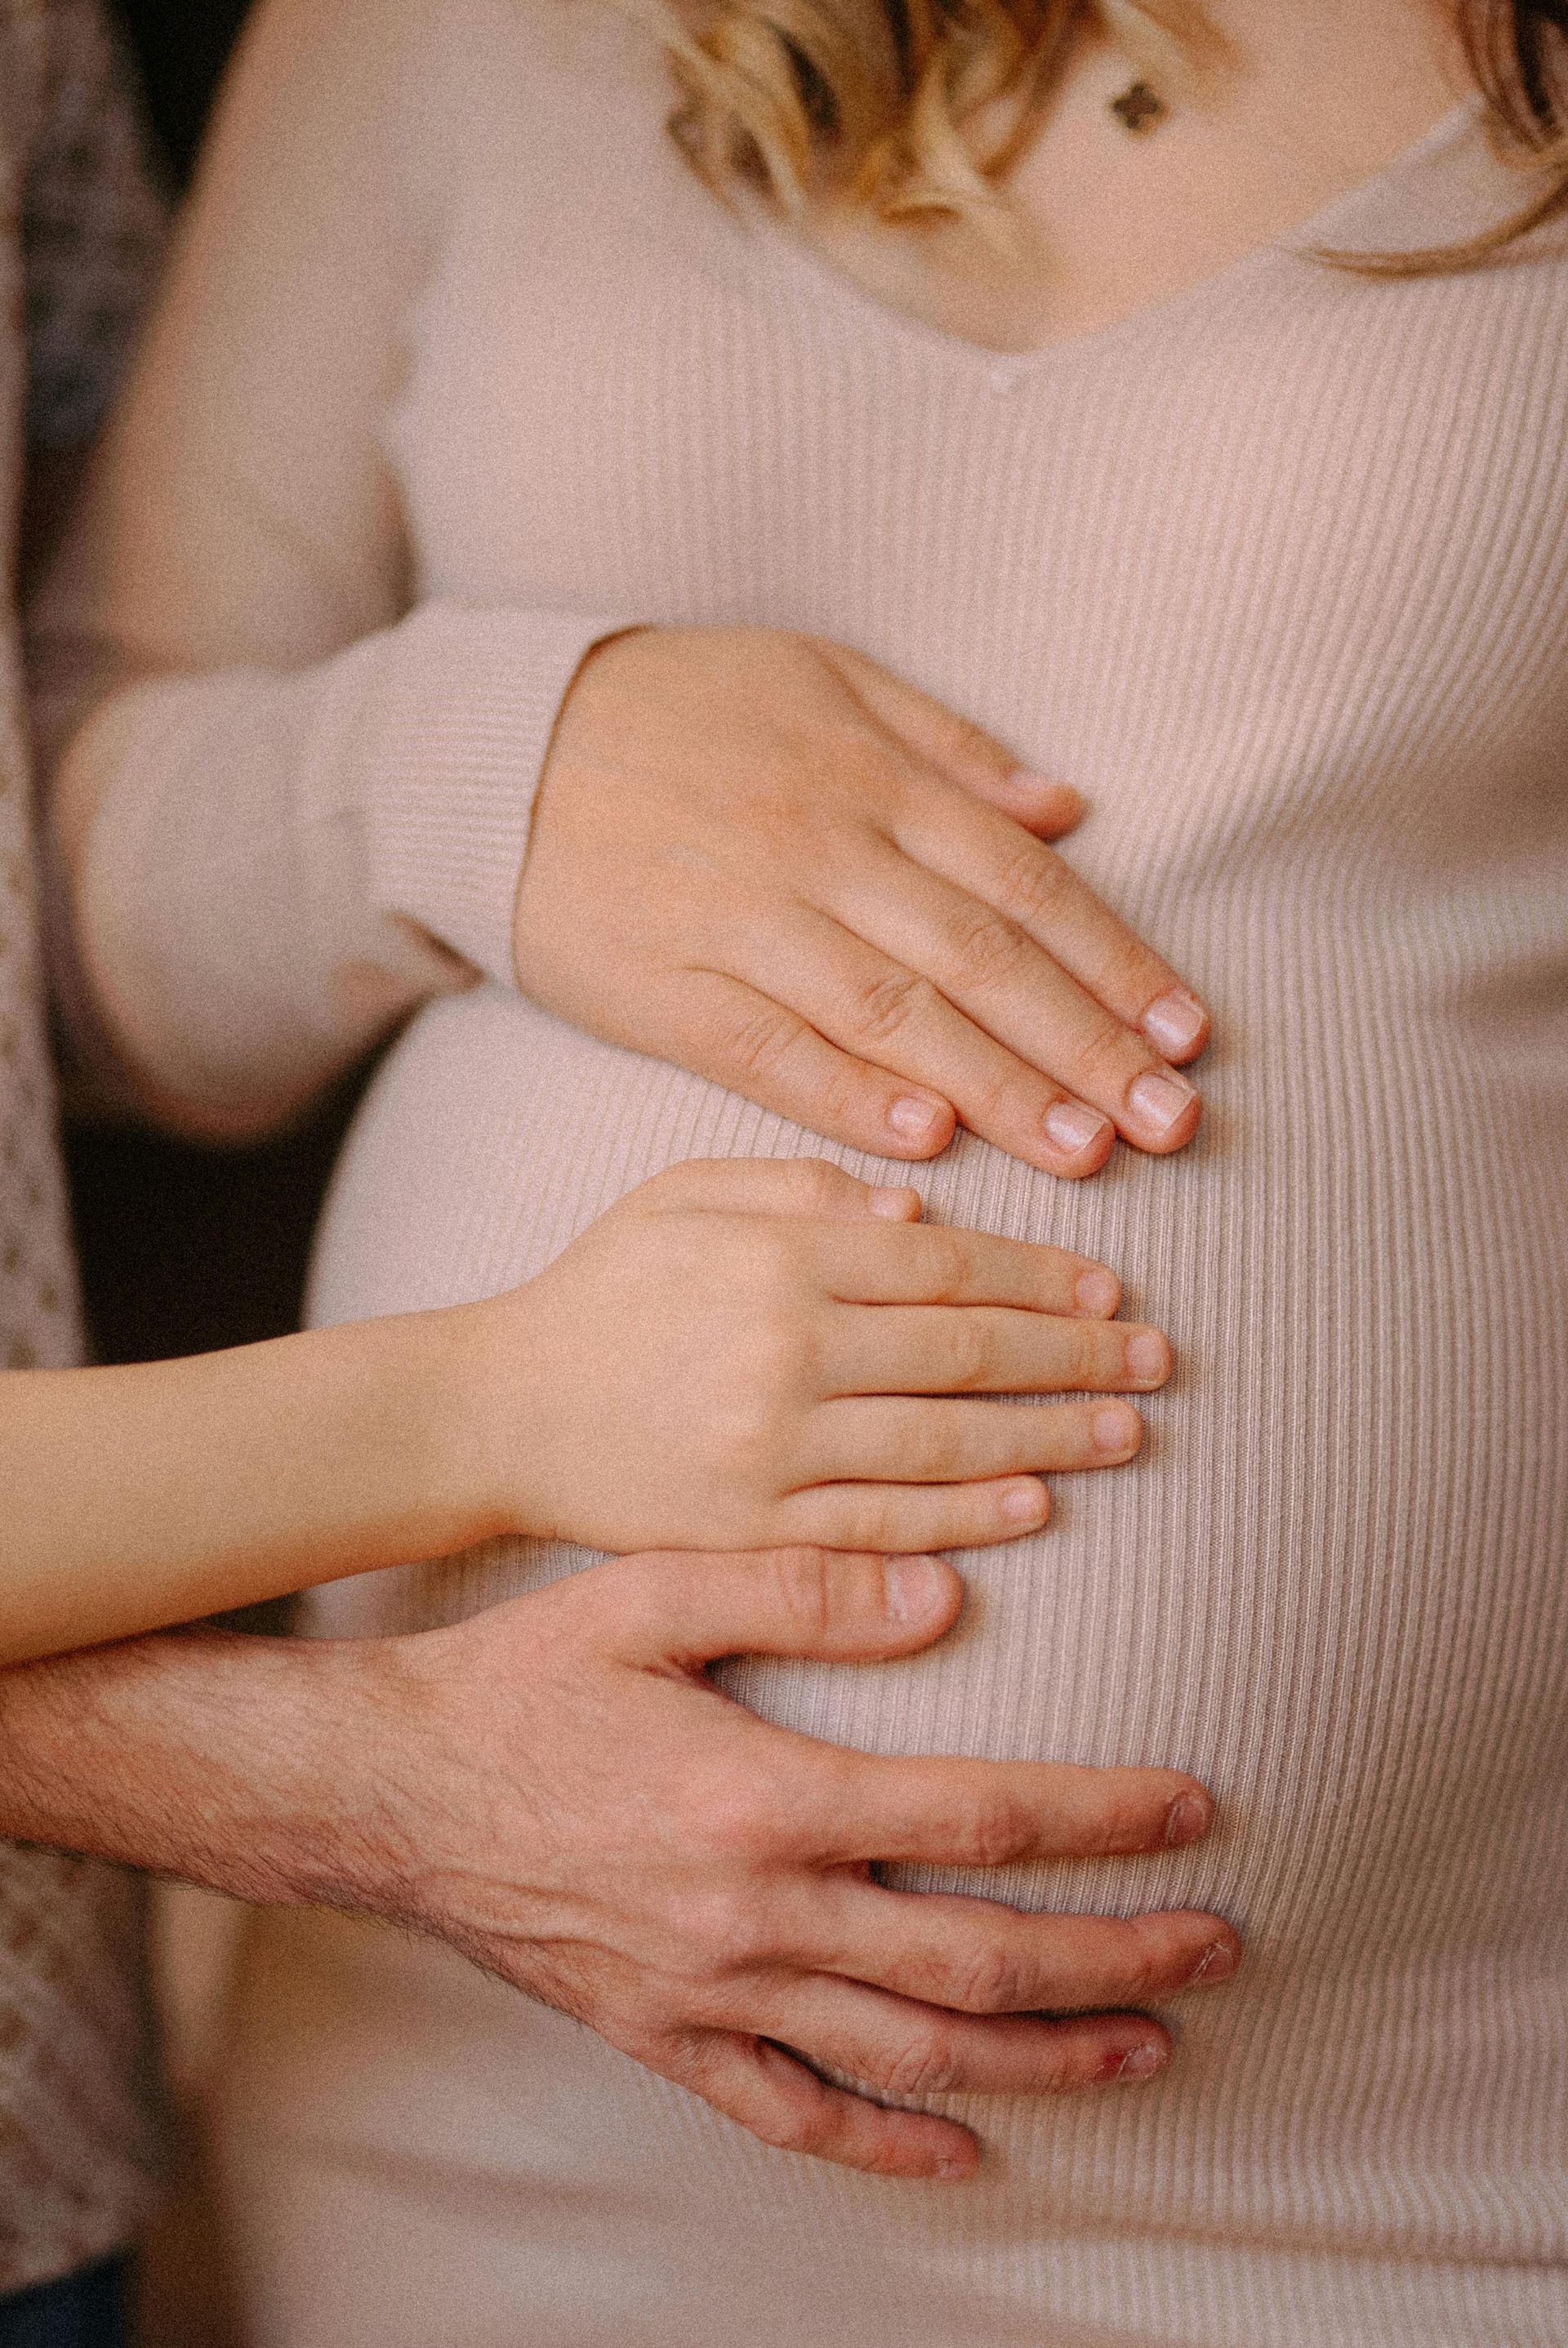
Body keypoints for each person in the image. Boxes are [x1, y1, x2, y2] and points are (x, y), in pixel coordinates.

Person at [32, 0, 1568, 2340]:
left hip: (1455, 2148)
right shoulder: (446, 36)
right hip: (482, 2131)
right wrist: (478, 771)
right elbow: (70, 971)